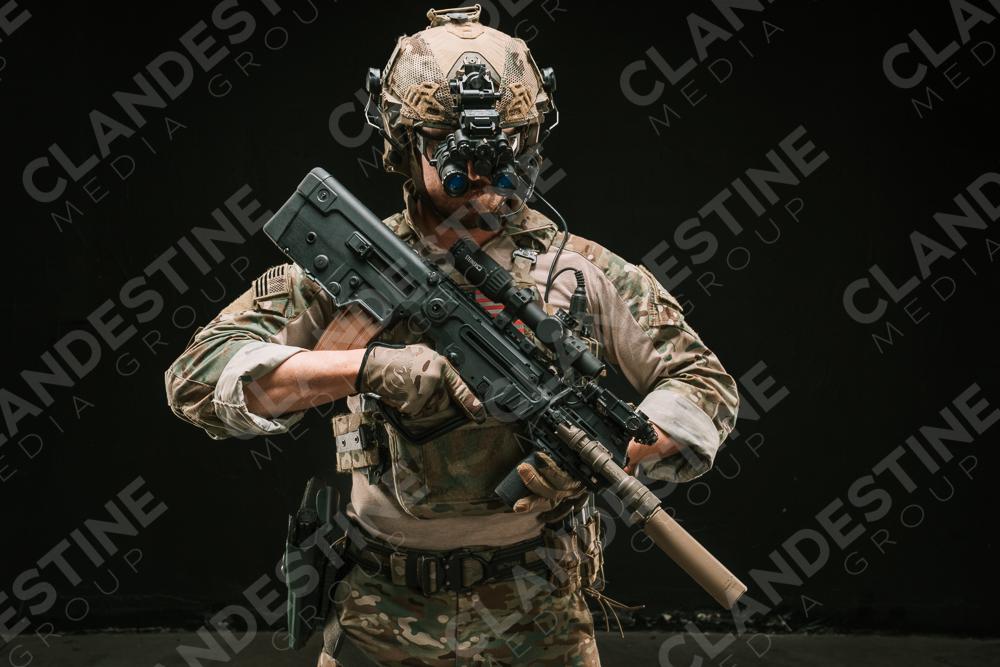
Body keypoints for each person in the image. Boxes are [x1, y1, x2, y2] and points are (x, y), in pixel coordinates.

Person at [164, 6, 739, 666]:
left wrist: (618, 449)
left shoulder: (577, 269)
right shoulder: (352, 263)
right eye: (455, 151)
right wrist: (366, 367)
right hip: (378, 610)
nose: (486, 173)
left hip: (538, 610)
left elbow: (704, 385)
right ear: (405, 143)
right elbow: (196, 379)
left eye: (508, 148)